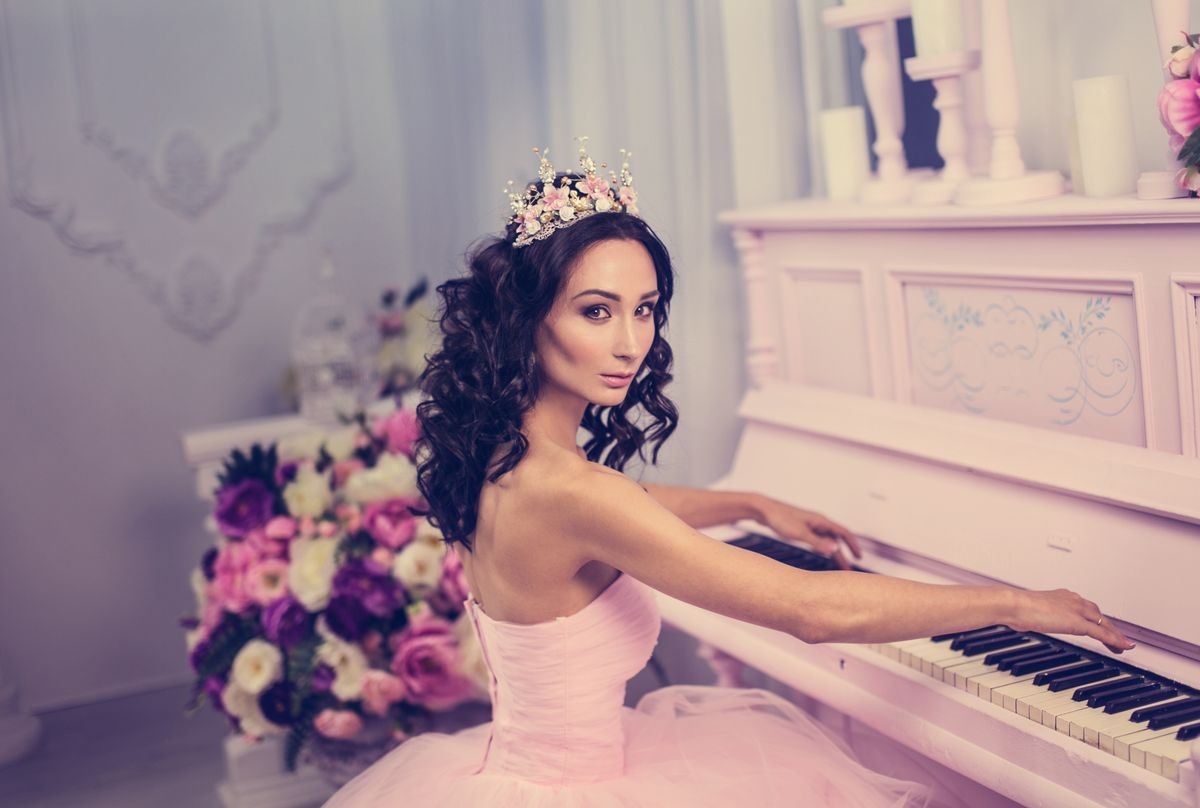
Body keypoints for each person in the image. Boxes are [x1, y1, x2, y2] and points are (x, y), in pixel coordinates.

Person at [321, 140, 1134, 807]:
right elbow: (810, 610)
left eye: (645, 311)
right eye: (596, 311)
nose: (629, 343)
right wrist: (1016, 603)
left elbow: (632, 506)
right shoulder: (572, 492)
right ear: (528, 318)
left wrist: (751, 499)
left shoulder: (505, 460)